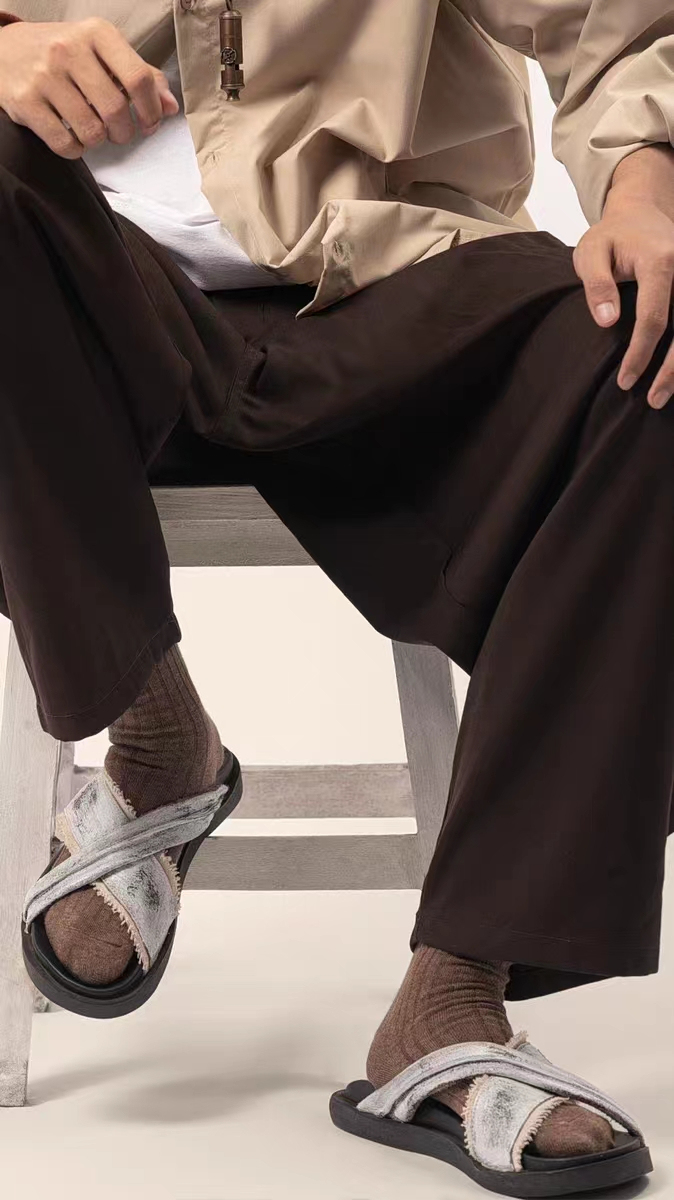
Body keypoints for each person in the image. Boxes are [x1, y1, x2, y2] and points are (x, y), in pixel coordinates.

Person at [1, 2, 673, 1192]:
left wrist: (641, 188)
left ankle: (453, 994)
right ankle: (156, 736)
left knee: (652, 363)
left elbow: (612, 29)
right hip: (82, 311)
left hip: (397, 276)